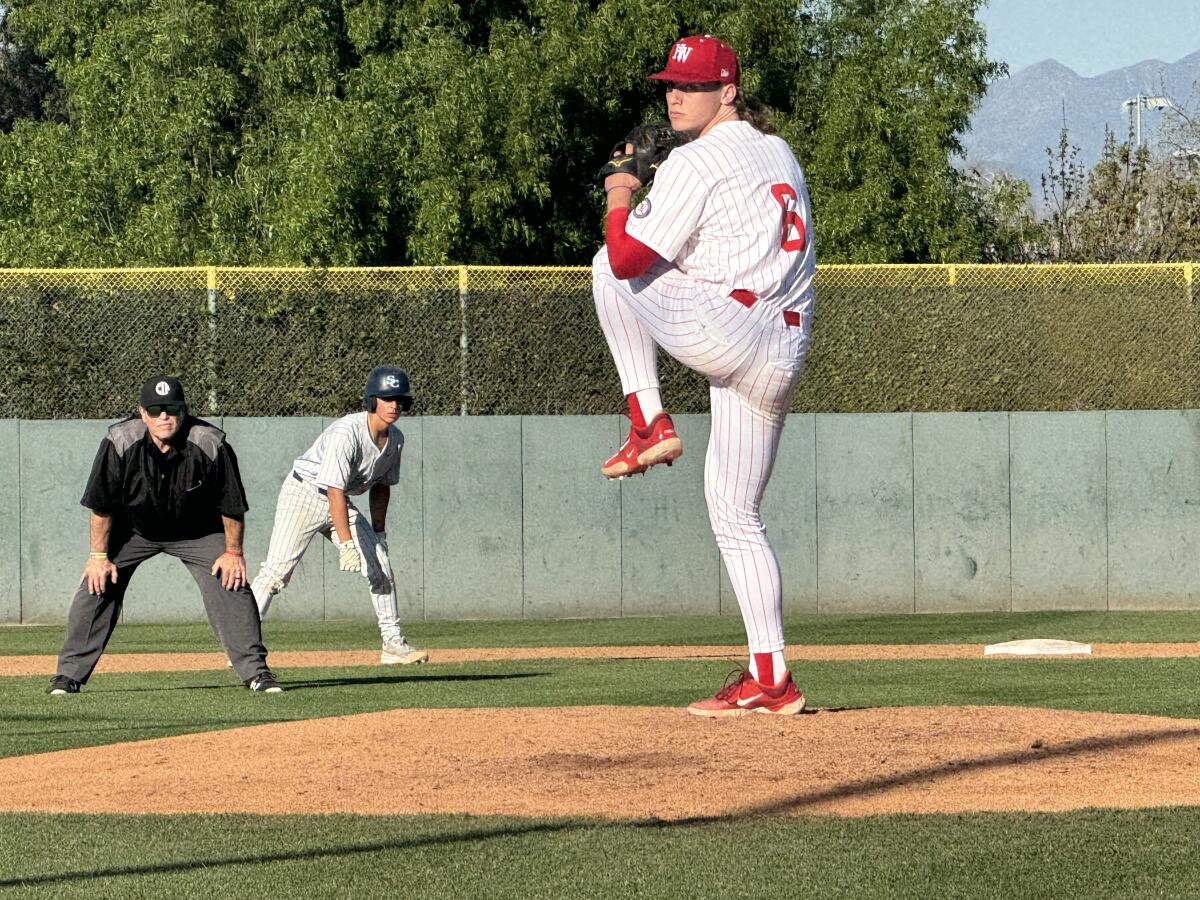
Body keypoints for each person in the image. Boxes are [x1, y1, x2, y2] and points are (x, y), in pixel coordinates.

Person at [593, 35, 815, 717]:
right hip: (782, 350)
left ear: (728, 91)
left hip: (731, 329)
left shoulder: (697, 159)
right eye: (670, 85)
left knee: (606, 265)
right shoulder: (776, 151)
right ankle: (771, 678)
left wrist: (621, 190)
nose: (675, 95)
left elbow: (631, 258)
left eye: (692, 85)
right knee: (737, 514)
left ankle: (647, 420)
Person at [48, 375, 282, 694]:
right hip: (133, 530)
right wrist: (98, 557)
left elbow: (231, 506)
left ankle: (256, 672)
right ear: (141, 412)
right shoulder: (119, 441)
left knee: (231, 581)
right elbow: (101, 507)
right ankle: (68, 675)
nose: (164, 416)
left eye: (171, 409)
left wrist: (233, 554)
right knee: (96, 582)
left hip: (197, 531)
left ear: (183, 411)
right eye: (155, 409)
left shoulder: (209, 442)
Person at [250, 366, 428, 665]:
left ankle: (393, 645)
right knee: (276, 573)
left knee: (380, 565)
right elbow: (333, 488)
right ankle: (242, 645)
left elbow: (382, 487)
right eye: (387, 398)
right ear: (372, 401)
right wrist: (346, 545)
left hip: (338, 500)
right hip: (304, 493)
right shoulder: (348, 432)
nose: (395, 405)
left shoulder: (395, 439)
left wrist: (379, 534)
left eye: (400, 399)